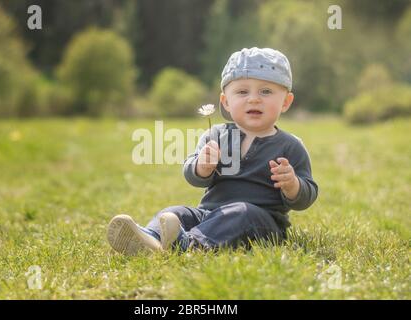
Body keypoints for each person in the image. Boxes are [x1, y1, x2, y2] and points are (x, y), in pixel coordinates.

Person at [107, 47, 318, 255]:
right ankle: (151, 239)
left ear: (286, 102)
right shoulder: (216, 136)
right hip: (209, 213)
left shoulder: (290, 146)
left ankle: (189, 244)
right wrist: (202, 167)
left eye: (266, 91)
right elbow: (192, 175)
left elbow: (306, 196)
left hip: (262, 222)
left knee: (242, 213)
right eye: (242, 92)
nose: (254, 99)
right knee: (176, 212)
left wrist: (292, 185)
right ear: (226, 102)